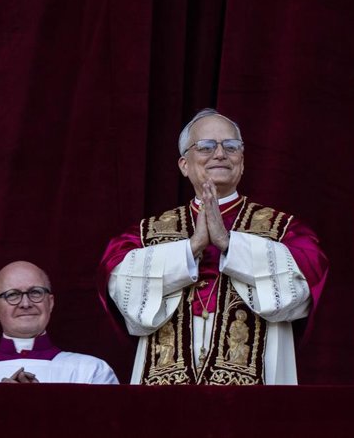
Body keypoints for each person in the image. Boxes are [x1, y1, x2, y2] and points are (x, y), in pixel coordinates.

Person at [100, 108, 328, 385]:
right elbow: (119, 282)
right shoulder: (147, 233)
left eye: (231, 146)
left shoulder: (283, 229)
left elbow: (305, 279)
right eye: (206, 146)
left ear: (242, 162)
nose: (219, 154)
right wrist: (192, 246)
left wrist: (229, 244)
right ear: (184, 165)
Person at [0, 261, 118, 384]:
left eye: (35, 292)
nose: (26, 303)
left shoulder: (92, 372)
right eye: (12, 295)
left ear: (50, 302)